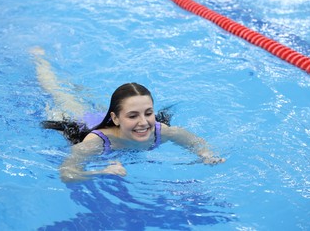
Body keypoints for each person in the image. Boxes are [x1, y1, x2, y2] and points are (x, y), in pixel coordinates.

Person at [31, 47, 225, 183]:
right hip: (82, 120)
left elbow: (196, 143)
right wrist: (100, 172)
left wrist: (206, 155)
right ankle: (40, 60)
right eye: (133, 116)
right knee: (56, 90)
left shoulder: (161, 131)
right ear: (116, 118)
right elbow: (67, 174)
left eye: (148, 113)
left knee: (81, 91)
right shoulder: (96, 142)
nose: (143, 123)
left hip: (106, 115)